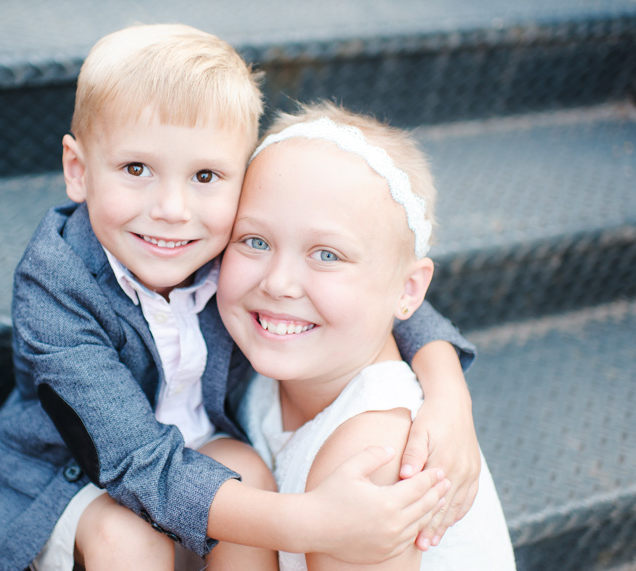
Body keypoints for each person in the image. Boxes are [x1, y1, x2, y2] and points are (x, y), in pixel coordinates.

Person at [0, 24, 480, 571]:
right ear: (79, 170)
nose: (172, 207)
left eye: (206, 175)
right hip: (73, 471)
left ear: (241, 182)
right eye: (136, 169)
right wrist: (317, 521)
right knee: (130, 541)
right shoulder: (56, 287)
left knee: (250, 479)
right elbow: (133, 461)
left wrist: (450, 395)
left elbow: (378, 294)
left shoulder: (224, 239)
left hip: (197, 440)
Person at [216, 101, 517, 570]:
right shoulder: (269, 363)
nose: (277, 282)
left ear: (408, 290)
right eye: (256, 241)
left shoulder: (379, 454)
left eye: (327, 255)